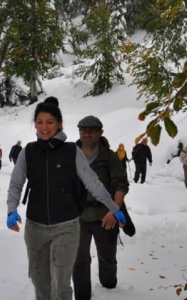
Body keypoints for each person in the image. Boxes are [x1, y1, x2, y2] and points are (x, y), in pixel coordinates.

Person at [6, 97, 126, 300]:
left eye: (50, 122)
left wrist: (113, 208)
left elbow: (93, 183)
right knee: (40, 283)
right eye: (40, 122)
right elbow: (16, 184)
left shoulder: (72, 151)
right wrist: (11, 209)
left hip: (66, 228)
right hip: (35, 228)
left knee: (61, 284)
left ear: (59, 123)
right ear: (35, 124)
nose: (44, 127)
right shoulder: (29, 151)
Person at [72, 115, 130, 300]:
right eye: (83, 130)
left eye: (91, 131)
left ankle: (109, 288)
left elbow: (121, 184)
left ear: (100, 132)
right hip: (78, 217)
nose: (86, 134)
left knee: (107, 258)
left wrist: (114, 210)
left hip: (105, 216)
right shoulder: (70, 155)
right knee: (79, 260)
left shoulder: (109, 157)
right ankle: (82, 296)